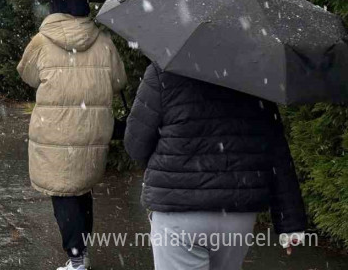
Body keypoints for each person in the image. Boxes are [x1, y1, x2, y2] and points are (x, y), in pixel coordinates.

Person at [125, 63, 307, 270]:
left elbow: (135, 146)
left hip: (178, 210)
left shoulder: (163, 73)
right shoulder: (255, 77)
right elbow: (276, 152)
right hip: (237, 212)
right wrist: (290, 223)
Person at [17, 0, 126, 270]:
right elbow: (118, 81)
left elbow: (27, 75)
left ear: (55, 8)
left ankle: (77, 259)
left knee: (62, 190)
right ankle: (80, 254)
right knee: (82, 188)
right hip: (92, 128)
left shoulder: (41, 41)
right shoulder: (103, 41)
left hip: (55, 130)